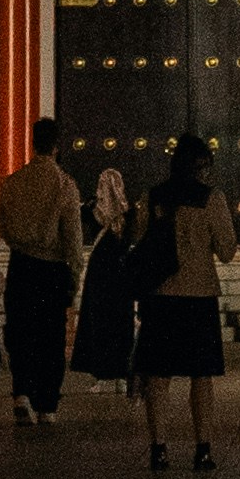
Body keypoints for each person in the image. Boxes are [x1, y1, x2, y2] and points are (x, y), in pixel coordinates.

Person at [138, 130, 239, 476]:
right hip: (198, 296)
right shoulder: (211, 199)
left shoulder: (154, 197)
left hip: (161, 296)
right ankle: (202, 449)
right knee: (201, 376)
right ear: (202, 167)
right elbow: (227, 251)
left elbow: (138, 238)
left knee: (159, 376)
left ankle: (159, 448)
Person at [0, 116, 86, 426]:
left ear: (32, 143)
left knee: (20, 333)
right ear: (57, 146)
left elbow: (3, 227)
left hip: (21, 266)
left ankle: (21, 392)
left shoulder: (14, 181)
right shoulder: (65, 185)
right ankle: (47, 404)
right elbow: (73, 240)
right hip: (52, 270)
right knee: (50, 338)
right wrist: (74, 278)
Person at [72, 160, 141, 400]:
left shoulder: (96, 212)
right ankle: (119, 374)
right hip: (120, 275)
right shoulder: (128, 213)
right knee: (118, 322)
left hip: (101, 274)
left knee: (101, 322)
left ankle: (103, 374)